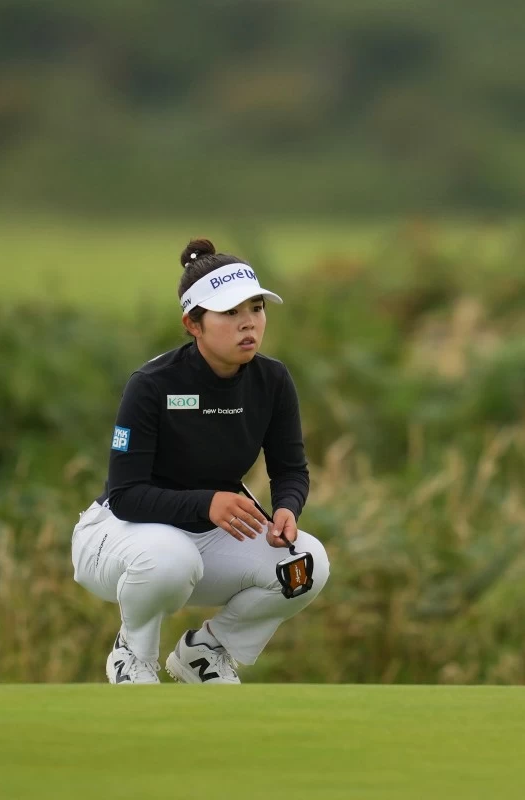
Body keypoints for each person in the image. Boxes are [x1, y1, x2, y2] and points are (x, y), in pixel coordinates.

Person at [70, 238, 330, 684]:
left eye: (255, 308)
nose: (248, 323)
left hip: (206, 539)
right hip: (117, 538)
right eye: (230, 313)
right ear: (193, 324)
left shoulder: (272, 380)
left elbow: (290, 468)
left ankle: (207, 652)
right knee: (170, 558)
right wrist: (206, 503)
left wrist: (287, 507)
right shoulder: (152, 385)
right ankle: (133, 655)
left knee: (304, 565)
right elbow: (126, 495)